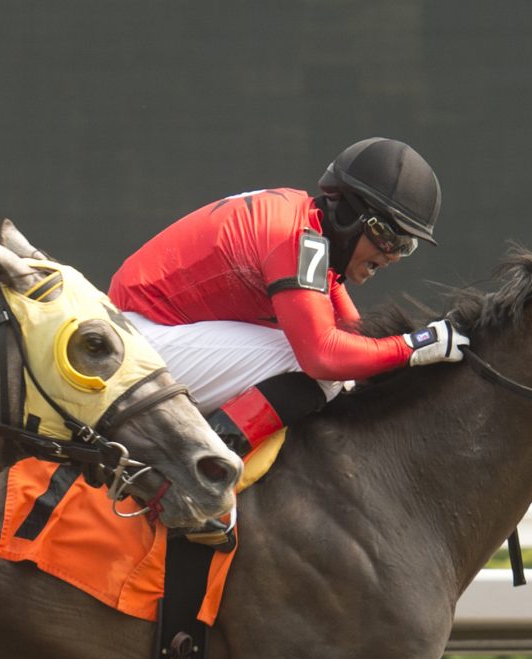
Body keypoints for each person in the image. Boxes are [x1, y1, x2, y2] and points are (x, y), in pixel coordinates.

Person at [108, 138, 468, 464]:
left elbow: (355, 337)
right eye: (391, 238)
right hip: (138, 346)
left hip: (147, 334)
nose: (393, 256)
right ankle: (205, 465)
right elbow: (323, 357)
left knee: (338, 371)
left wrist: (414, 357)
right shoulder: (297, 238)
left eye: (407, 247)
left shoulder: (307, 227)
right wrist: (416, 345)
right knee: (317, 370)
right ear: (352, 216)